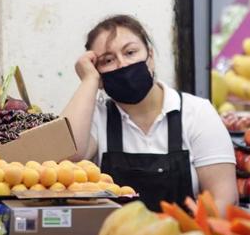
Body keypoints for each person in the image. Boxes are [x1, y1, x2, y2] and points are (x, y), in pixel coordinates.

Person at [61, 14, 238, 213]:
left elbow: (224, 199)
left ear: (150, 57)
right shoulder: (96, 118)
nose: (122, 64)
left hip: (186, 231)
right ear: (99, 73)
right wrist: (89, 81)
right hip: (115, 233)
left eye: (130, 52)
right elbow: (67, 155)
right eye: (108, 60)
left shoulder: (197, 113)